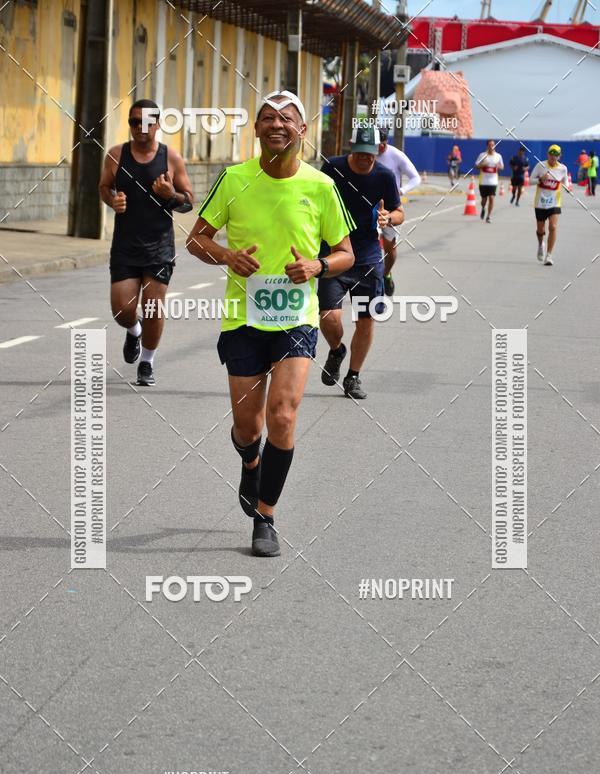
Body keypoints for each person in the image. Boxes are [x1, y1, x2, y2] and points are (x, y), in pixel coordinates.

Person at [186, 90, 354, 557]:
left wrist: (318, 267)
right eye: (267, 118)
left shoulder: (321, 186)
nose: (276, 124)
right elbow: (196, 240)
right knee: (247, 425)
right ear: (256, 130)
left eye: (287, 118)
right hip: (243, 318)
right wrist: (226, 256)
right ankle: (250, 459)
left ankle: (265, 516)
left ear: (302, 131)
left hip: (296, 318)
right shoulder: (235, 179)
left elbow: (346, 254)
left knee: (284, 415)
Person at [99, 99, 194, 386]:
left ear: (157, 124)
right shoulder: (116, 155)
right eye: (134, 121)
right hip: (125, 246)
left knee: (153, 307)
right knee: (121, 310)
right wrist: (112, 200)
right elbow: (104, 186)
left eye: (147, 122)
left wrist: (170, 194)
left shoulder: (171, 158)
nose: (140, 127)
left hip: (159, 247)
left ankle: (147, 362)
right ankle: (134, 331)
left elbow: (189, 202)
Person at [318, 123, 404, 400]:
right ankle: (336, 350)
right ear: (351, 148)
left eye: (371, 153)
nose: (366, 158)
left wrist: (388, 218)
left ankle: (353, 376)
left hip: (368, 258)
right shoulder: (332, 168)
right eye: (360, 152)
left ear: (379, 150)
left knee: (366, 320)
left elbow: (399, 212)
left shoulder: (384, 175)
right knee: (329, 317)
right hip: (333, 254)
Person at [377, 127, 421, 296]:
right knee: (371, 241)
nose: (379, 149)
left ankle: (386, 274)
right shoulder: (367, 152)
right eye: (377, 144)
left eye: (383, 145)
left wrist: (400, 191)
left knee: (389, 246)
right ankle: (372, 279)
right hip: (370, 204)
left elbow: (415, 178)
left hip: (390, 205)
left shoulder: (396, 155)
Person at [530, 144, 570, 266]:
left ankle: (549, 255)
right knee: (540, 230)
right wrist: (540, 179)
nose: (553, 157)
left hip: (554, 202)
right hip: (540, 203)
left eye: (556, 155)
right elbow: (530, 180)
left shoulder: (563, 168)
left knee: (553, 227)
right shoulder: (540, 165)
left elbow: (565, 181)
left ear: (559, 156)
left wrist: (567, 187)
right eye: (551, 154)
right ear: (548, 154)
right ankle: (541, 244)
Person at [474, 139, 504, 223]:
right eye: (490, 145)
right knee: (484, 199)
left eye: (493, 145)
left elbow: (502, 167)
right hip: (483, 181)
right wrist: (483, 164)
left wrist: (499, 166)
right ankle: (483, 208)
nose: (492, 146)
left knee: (491, 198)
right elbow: (476, 165)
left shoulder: (498, 156)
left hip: (493, 181)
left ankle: (489, 216)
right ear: (487, 146)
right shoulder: (482, 155)